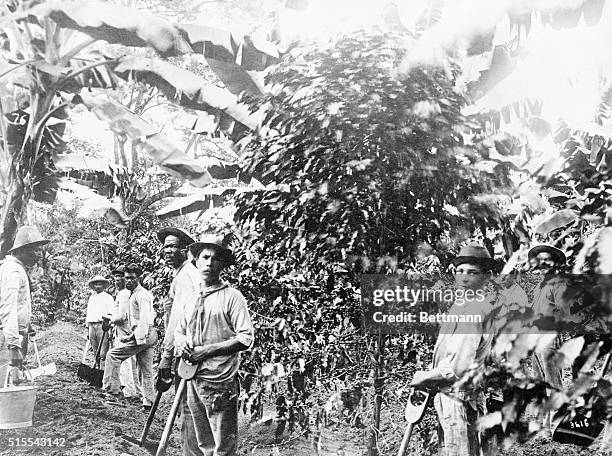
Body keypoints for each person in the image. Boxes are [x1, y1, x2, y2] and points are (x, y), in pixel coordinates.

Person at [411, 244, 495, 456]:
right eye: (460, 271)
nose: (464, 278)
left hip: (459, 398)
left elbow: (457, 367)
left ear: (486, 278)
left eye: (473, 273)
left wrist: (424, 376)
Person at [174, 234, 254, 456]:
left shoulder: (232, 297)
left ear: (223, 265)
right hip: (192, 376)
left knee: (223, 447)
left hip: (219, 379)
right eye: (205, 257)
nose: (209, 263)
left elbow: (245, 338)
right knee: (204, 443)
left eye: (215, 259)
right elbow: (180, 331)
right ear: (196, 261)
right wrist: (182, 344)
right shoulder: (192, 297)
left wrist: (207, 351)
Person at [102, 263, 157, 411]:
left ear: (139, 278)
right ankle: (148, 403)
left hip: (144, 335)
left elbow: (145, 319)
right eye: (127, 278)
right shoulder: (132, 294)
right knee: (146, 369)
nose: (129, 281)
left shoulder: (142, 295)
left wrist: (134, 338)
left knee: (112, 355)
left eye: (132, 278)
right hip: (145, 335)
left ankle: (113, 393)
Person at [528, 244, 571, 431]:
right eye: (540, 260)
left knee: (553, 382)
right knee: (540, 381)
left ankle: (557, 425)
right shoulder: (541, 284)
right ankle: (545, 424)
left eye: (547, 259)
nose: (543, 263)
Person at [0, 226, 49, 386]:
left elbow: (17, 306)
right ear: (22, 250)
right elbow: (8, 309)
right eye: (35, 250)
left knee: (10, 385)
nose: (39, 255)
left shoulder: (15, 268)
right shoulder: (13, 270)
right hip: (7, 339)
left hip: (13, 335)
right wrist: (14, 347)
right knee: (5, 388)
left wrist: (26, 324)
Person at [155, 227, 199, 384]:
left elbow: (178, 318)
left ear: (185, 249)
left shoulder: (186, 276)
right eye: (166, 247)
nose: (167, 251)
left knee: (185, 403)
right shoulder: (183, 274)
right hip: (188, 346)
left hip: (188, 348)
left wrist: (167, 355)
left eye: (173, 246)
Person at [110, 265, 140, 399]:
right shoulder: (128, 293)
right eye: (115, 277)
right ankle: (135, 391)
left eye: (120, 277)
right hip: (126, 330)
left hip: (124, 331)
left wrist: (110, 319)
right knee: (131, 362)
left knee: (125, 362)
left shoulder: (124, 294)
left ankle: (128, 391)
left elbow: (121, 317)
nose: (118, 280)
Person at [85, 275, 113, 364]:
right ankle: (96, 370)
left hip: (103, 326)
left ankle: (103, 372)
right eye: (96, 284)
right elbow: (89, 313)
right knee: (95, 351)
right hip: (92, 326)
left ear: (104, 286)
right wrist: (88, 328)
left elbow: (111, 314)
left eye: (99, 284)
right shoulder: (92, 298)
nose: (97, 286)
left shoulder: (108, 298)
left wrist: (110, 330)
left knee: (103, 353)